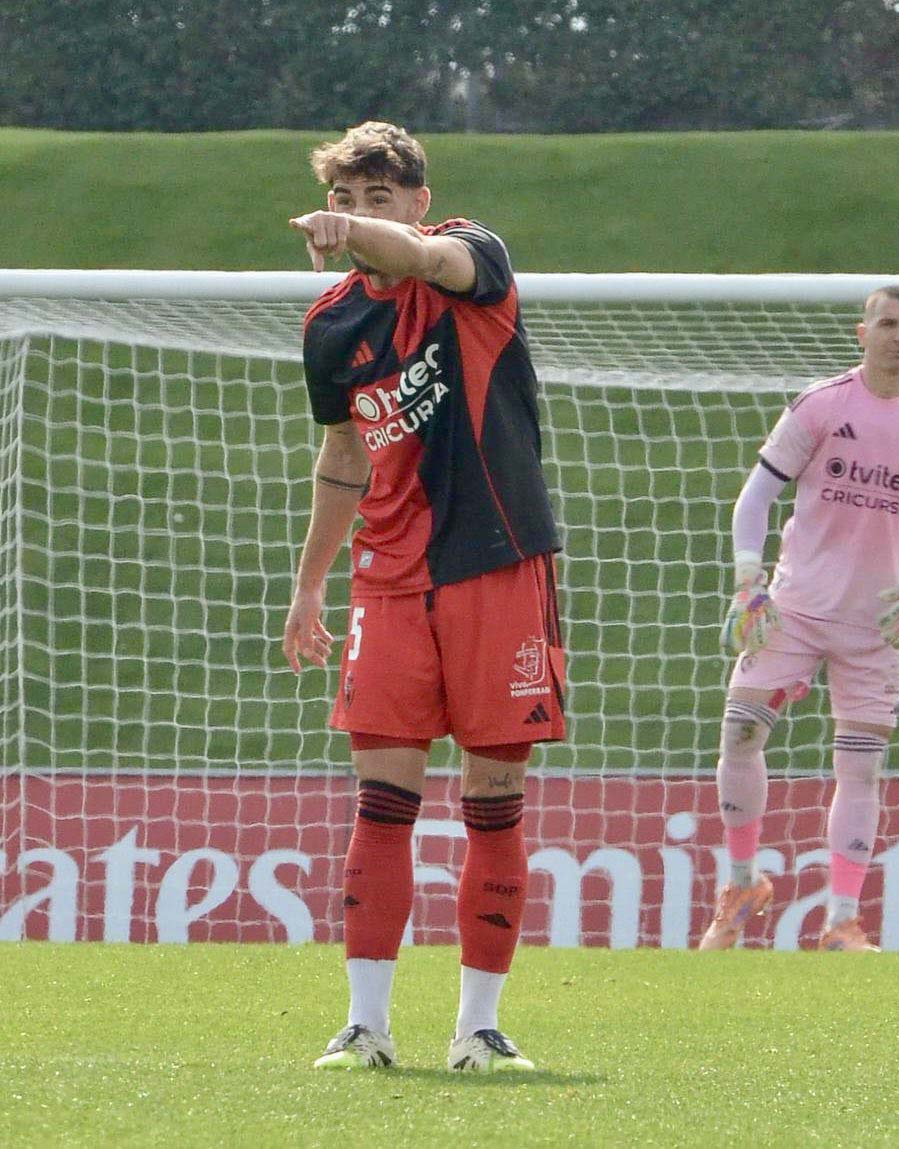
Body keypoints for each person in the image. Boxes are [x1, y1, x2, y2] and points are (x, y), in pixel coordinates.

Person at [283, 121, 565, 1071]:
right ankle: (365, 1027)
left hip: (497, 563)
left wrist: (361, 235)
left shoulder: (472, 257)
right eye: (346, 199)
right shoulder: (330, 325)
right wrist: (310, 578)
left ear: (414, 199)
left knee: (495, 795)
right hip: (390, 580)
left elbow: (416, 258)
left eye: (377, 198)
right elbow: (342, 457)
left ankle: (478, 1029)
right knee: (382, 798)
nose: (359, 216)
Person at [698, 285, 899, 953]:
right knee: (739, 732)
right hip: (793, 609)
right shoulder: (823, 405)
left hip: (876, 627)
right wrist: (748, 582)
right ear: (863, 332)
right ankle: (741, 884)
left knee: (861, 767)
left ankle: (842, 921)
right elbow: (755, 496)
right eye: (888, 322)